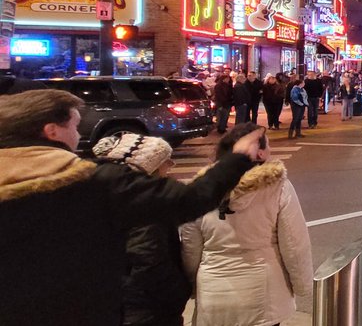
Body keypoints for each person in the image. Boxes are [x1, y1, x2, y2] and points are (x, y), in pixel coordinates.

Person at [0, 89, 264, 326]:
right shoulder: (93, 182)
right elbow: (190, 199)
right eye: (74, 126)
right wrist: (239, 157)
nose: (78, 135)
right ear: (52, 131)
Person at [181, 124, 313, 326]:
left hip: (214, 294)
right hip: (263, 297)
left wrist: (191, 286)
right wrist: (302, 285)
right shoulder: (277, 187)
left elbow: (190, 249)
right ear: (259, 153)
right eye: (268, 145)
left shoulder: (201, 188)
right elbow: (294, 244)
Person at [93, 134, 190, 326]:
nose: (171, 165)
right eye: (165, 161)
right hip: (146, 308)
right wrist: (179, 292)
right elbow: (148, 260)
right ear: (150, 168)